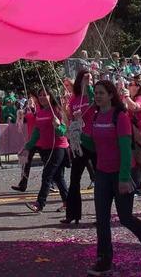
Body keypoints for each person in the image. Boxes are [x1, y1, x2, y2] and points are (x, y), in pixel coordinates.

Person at [84, 79, 141, 275]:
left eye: (102, 92)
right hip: (102, 173)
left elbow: (126, 150)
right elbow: (94, 147)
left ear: (111, 95)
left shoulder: (120, 116)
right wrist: (77, 133)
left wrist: (125, 178)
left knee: (125, 217)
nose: (98, 96)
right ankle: (104, 259)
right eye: (96, 93)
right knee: (102, 219)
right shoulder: (94, 117)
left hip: (122, 172)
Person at [23, 87, 69, 215]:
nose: (42, 97)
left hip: (59, 148)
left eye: (45, 95)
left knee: (47, 175)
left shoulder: (58, 111)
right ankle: (68, 202)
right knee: (58, 177)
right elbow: (37, 132)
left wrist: (58, 126)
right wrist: (27, 146)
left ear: (51, 96)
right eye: (40, 95)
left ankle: (39, 204)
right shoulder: (40, 112)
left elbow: (63, 132)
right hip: (46, 149)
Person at [63, 69, 95, 225]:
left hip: (94, 141)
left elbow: (95, 103)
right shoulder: (74, 99)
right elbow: (69, 119)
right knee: (74, 179)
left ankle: (102, 215)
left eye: (89, 77)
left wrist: (88, 85)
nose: (87, 79)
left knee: (99, 179)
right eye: (84, 77)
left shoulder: (92, 93)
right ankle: (72, 214)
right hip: (79, 142)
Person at [11, 94, 42, 192]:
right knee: (26, 162)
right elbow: (22, 117)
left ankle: (52, 184)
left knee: (47, 162)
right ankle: (23, 184)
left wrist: (32, 109)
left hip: (41, 140)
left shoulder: (39, 109)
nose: (30, 102)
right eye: (29, 101)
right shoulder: (28, 111)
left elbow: (38, 118)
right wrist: (20, 114)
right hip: (31, 140)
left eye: (32, 100)